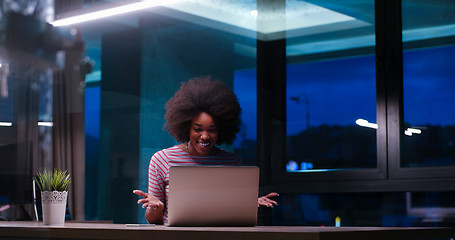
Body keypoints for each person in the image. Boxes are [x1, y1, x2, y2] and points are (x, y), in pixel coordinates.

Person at [133, 76, 278, 225]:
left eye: (212, 130)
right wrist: (156, 208)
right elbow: (152, 220)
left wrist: (246, 205)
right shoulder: (162, 159)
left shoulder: (232, 162)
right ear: (186, 127)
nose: (205, 136)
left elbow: (231, 214)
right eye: (198, 129)